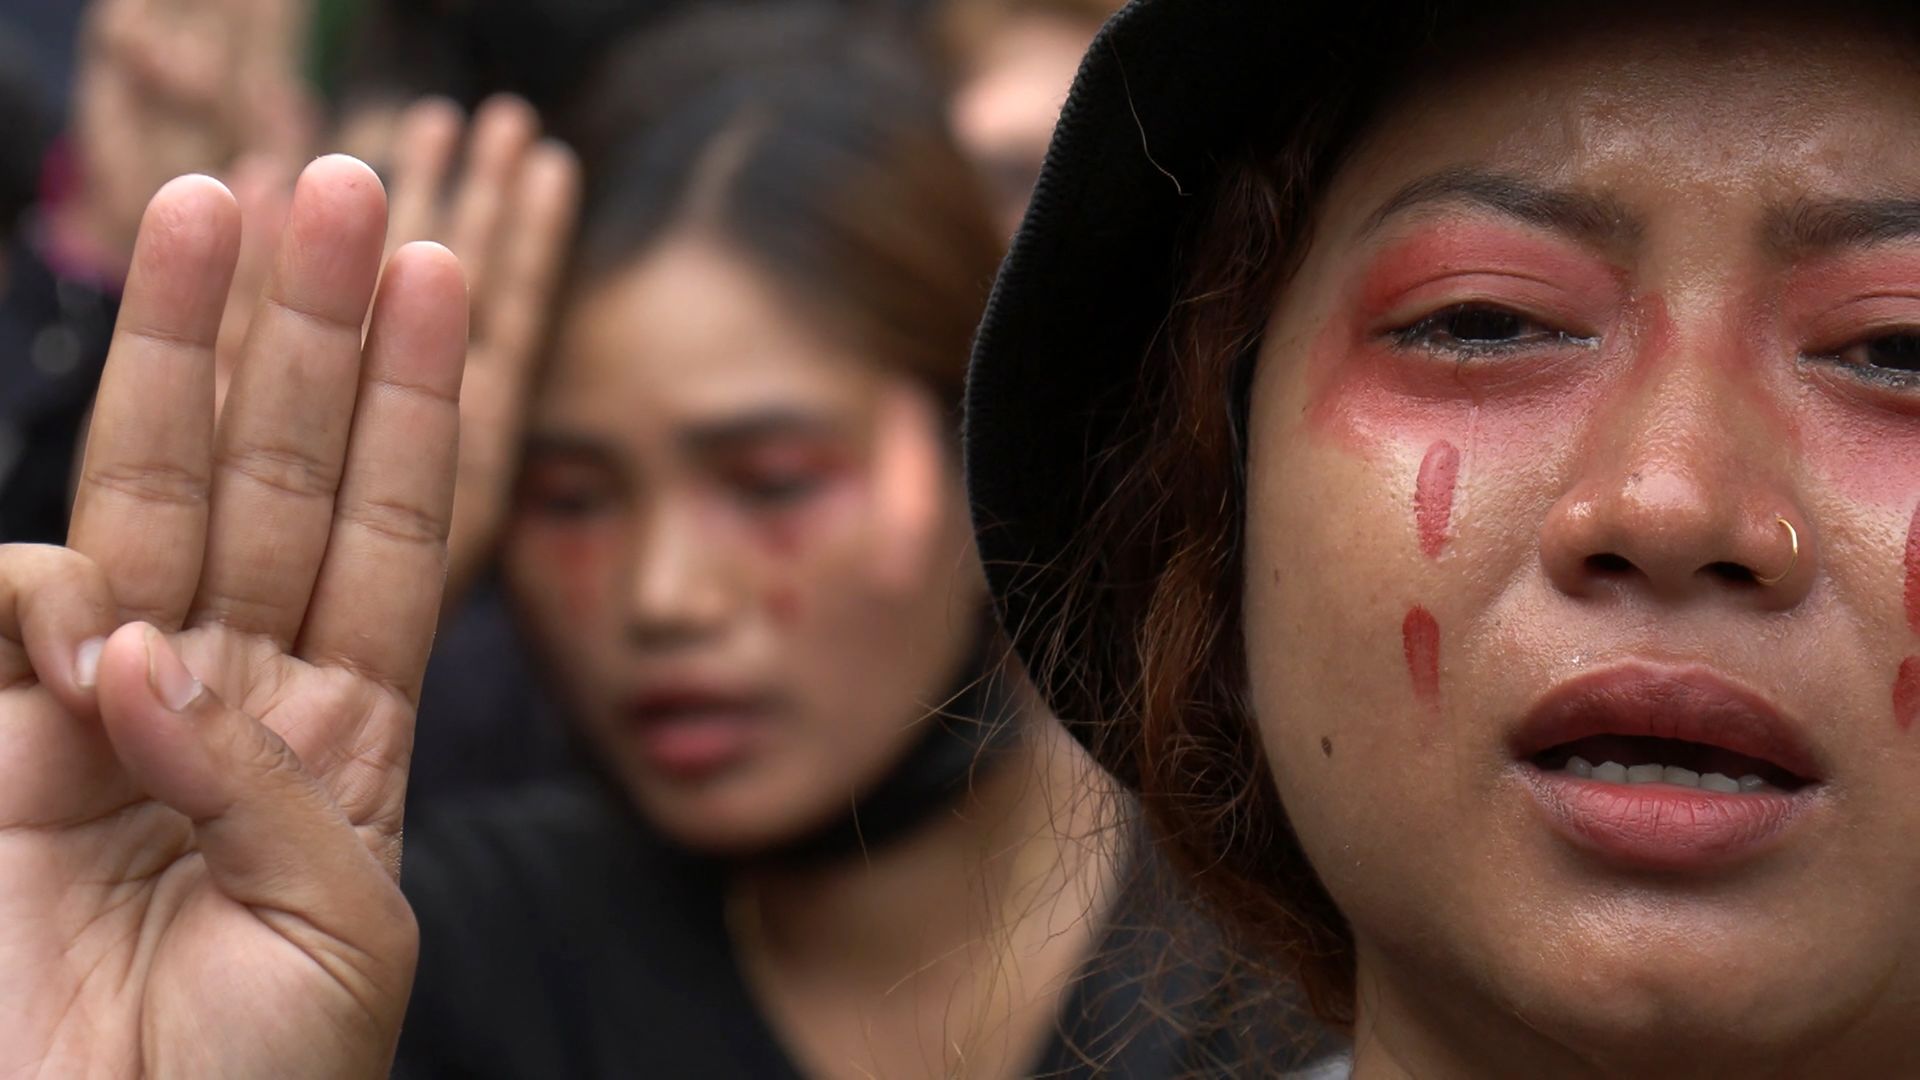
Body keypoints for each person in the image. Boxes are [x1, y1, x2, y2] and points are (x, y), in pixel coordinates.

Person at [6, 0, 1918, 1077]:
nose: (1673, 500)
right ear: (1205, 505)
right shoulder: (428, 959)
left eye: (1899, 351)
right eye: (1485, 321)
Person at [394, 8, 1294, 1075]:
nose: (664, 595)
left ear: (985, 443)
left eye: (773, 483)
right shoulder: (445, 965)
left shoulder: (1296, 932)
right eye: (572, 499)